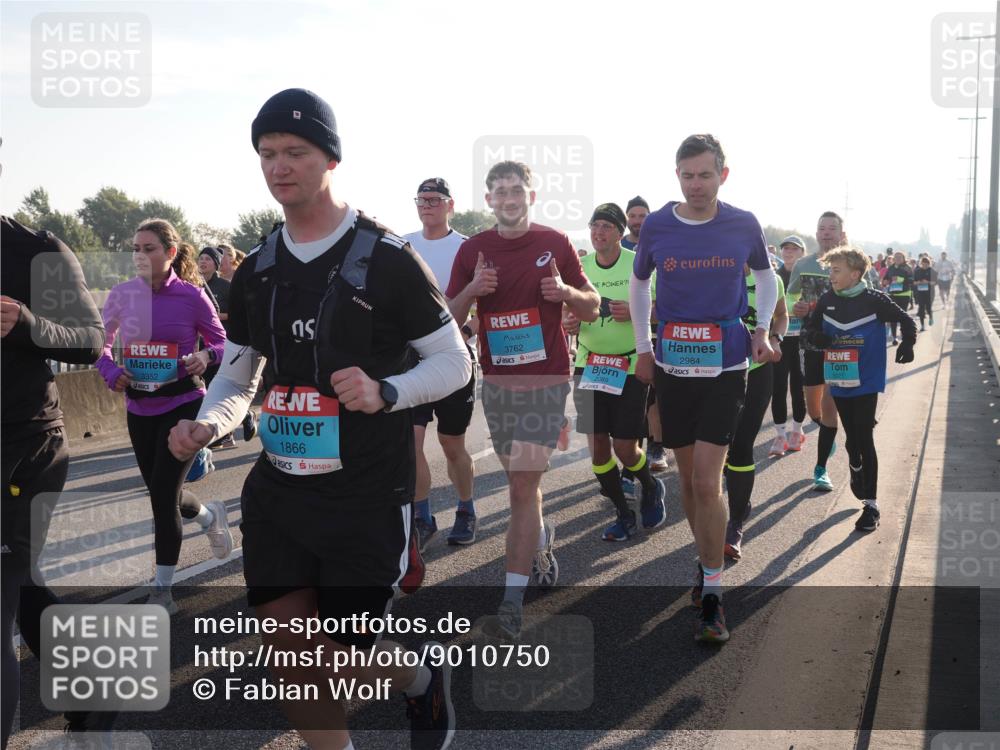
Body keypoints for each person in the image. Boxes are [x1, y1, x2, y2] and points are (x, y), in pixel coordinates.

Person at [168, 88, 469, 750]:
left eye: (296, 152)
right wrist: (209, 422)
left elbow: (455, 363)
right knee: (288, 650)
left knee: (345, 655)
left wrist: (386, 390)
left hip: (365, 490)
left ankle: (421, 680)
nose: (280, 166)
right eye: (268, 153)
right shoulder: (259, 269)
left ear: (330, 159)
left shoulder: (387, 258)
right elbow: (238, 372)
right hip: (281, 490)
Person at [630, 134, 777, 644]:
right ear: (678, 177)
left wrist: (761, 330)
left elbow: (765, 274)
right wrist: (643, 347)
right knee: (690, 481)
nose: (697, 184)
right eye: (688, 175)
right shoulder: (658, 225)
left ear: (723, 175)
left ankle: (713, 596)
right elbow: (639, 284)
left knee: (706, 480)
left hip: (726, 365)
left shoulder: (743, 223)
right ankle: (706, 558)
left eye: (705, 175)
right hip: (672, 365)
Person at [446, 159, 599, 639]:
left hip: (547, 380)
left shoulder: (554, 244)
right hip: (498, 383)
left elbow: (592, 306)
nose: (509, 199)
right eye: (499, 192)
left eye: (517, 191)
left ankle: (511, 601)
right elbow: (447, 316)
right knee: (522, 488)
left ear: (531, 197)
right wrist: (473, 289)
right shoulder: (473, 250)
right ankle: (538, 539)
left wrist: (566, 291)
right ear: (488, 200)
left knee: (519, 489)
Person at [1, 216, 114, 744]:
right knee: (20, 589)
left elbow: (92, 341)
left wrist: (28, 324)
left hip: (23, 447)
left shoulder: (34, 250)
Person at [95, 219, 233, 614]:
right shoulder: (121, 295)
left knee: (160, 497)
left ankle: (162, 589)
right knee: (162, 492)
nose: (139, 255)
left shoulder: (191, 297)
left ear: (170, 253)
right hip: (139, 406)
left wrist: (206, 356)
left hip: (183, 403)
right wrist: (110, 372)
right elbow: (99, 345)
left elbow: (224, 344)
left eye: (149, 248)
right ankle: (208, 515)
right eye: (135, 248)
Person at [562, 203, 666, 541]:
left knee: (624, 447)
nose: (598, 232)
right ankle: (623, 513)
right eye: (595, 225)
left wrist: (638, 314)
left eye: (606, 226)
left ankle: (650, 487)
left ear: (620, 233)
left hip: (631, 363)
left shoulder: (638, 265)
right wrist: (570, 320)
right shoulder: (580, 267)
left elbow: (663, 310)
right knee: (598, 447)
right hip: (590, 363)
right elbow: (567, 312)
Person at [803, 247, 916, 531]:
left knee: (864, 436)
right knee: (853, 439)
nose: (831, 276)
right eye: (830, 270)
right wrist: (820, 338)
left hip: (867, 379)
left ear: (855, 274)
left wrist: (907, 343)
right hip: (840, 379)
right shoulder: (827, 299)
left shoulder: (874, 299)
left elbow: (906, 319)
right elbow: (809, 332)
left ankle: (871, 506)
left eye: (836, 271)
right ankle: (855, 465)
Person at [402, 177, 479, 547]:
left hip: (454, 360)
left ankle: (466, 508)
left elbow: (487, 304)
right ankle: (422, 516)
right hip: (412, 362)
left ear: (450, 205)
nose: (427, 205)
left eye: (434, 199)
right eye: (421, 199)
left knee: (451, 444)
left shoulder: (467, 247)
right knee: (411, 443)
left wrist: (466, 333)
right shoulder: (403, 247)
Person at [725, 265, 788, 559]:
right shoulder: (714, 273)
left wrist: (776, 338)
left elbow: (782, 314)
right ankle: (737, 501)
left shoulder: (770, 279)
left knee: (741, 446)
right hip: (717, 369)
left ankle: (735, 522)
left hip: (758, 369)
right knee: (719, 444)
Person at [787, 211, 848, 492]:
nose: (826, 233)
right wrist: (795, 308)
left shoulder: (853, 263)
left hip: (841, 346)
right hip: (810, 342)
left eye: (831, 228)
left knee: (830, 407)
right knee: (813, 408)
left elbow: (868, 297)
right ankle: (826, 431)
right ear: (816, 233)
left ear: (840, 233)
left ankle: (821, 468)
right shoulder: (803, 264)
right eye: (821, 228)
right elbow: (788, 300)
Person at [622, 195, 668, 472]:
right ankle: (632, 454)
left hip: (658, 328)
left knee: (654, 394)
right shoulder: (620, 248)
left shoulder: (660, 244)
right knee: (634, 395)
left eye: (642, 216)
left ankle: (657, 447)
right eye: (633, 216)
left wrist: (652, 309)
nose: (638, 221)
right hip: (626, 330)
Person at [769, 235, 808, 457]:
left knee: (798, 386)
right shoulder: (774, 277)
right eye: (786, 248)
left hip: (801, 340)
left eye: (794, 249)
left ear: (802, 252)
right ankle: (780, 434)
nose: (789, 252)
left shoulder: (806, 277)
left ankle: (797, 430)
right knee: (778, 387)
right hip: (780, 338)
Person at [882, 251, 914, 345]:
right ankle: (894, 337)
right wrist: (885, 281)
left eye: (900, 257)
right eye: (896, 257)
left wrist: (900, 279)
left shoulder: (907, 268)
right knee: (893, 316)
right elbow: (886, 278)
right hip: (893, 294)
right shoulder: (891, 268)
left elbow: (911, 280)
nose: (897, 259)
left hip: (904, 294)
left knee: (902, 316)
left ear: (904, 258)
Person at [913, 256, 935, 331]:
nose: (924, 265)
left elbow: (935, 282)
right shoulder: (917, 271)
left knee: (928, 307)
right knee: (921, 308)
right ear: (921, 263)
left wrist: (928, 282)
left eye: (926, 264)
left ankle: (931, 317)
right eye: (923, 264)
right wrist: (918, 282)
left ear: (929, 264)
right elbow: (914, 282)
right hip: (920, 292)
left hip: (929, 292)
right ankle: (922, 325)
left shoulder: (932, 271)